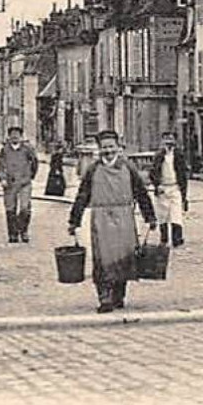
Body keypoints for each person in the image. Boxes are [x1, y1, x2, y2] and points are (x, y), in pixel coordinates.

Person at [68, 130, 158, 313]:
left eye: (111, 146)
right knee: (103, 258)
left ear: (118, 147)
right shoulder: (93, 169)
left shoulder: (128, 167)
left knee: (124, 257)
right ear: (99, 149)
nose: (108, 151)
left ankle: (119, 295)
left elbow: (141, 193)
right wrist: (74, 220)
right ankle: (104, 297)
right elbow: (82, 195)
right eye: (104, 147)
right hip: (101, 218)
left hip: (124, 216)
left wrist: (150, 217)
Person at [0, 125, 39, 243]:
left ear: (21, 136)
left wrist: (30, 176)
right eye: (12, 135)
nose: (15, 137)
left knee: (25, 208)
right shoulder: (5, 150)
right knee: (10, 209)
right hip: (10, 183)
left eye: (17, 135)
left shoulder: (27, 149)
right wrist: (2, 179)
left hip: (24, 182)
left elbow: (35, 162)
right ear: (9, 137)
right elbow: (0, 166)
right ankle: (13, 234)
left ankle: (23, 231)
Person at [148, 129, 190, 247]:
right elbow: (153, 172)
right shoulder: (159, 156)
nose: (169, 143)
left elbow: (183, 173)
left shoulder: (179, 155)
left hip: (175, 187)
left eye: (171, 139)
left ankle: (177, 238)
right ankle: (164, 238)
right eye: (166, 140)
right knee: (163, 215)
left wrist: (184, 193)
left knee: (176, 214)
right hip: (162, 188)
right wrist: (157, 184)